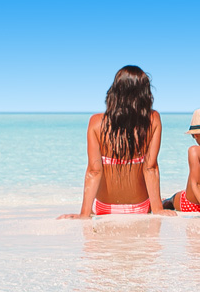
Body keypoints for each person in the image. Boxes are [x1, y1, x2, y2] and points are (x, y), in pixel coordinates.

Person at [60, 66, 177, 218]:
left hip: (104, 207)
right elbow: (151, 168)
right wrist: (157, 209)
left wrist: (84, 213)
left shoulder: (96, 122)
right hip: (139, 206)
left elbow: (94, 171)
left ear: (115, 90)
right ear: (144, 93)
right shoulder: (153, 119)